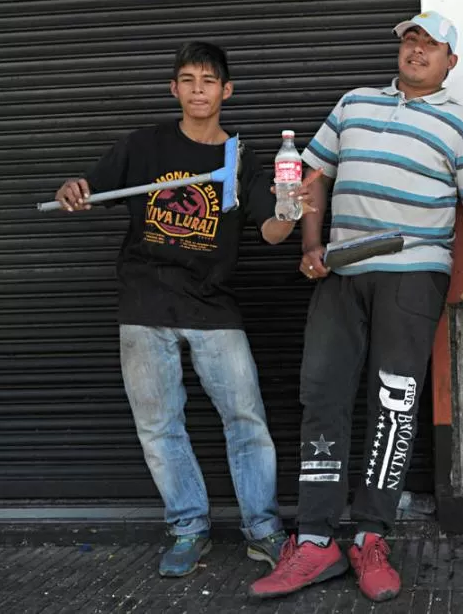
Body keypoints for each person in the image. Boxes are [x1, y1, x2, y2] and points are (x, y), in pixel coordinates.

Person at [249, 11, 463, 602]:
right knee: (322, 394)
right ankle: (313, 541)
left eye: (429, 44)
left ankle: (370, 536)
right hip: (342, 272)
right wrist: (312, 245)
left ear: (450, 61)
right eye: (410, 40)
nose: (416, 50)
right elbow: (314, 178)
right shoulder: (354, 103)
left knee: (394, 403)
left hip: (414, 277)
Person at [53, 42, 302, 577]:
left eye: (208, 81)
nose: (197, 90)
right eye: (186, 80)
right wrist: (74, 190)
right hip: (144, 302)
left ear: (225, 91)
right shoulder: (145, 147)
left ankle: (263, 530)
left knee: (246, 419)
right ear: (174, 89)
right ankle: (189, 528)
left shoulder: (242, 158)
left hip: (211, 304)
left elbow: (275, 234)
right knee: (159, 425)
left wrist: (291, 202)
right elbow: (85, 191)